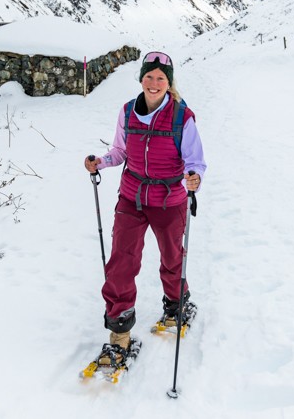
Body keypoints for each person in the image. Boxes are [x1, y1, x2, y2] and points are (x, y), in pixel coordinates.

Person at [84, 50, 207, 366]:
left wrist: (193, 178)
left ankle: (177, 303)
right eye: (149, 77)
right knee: (121, 262)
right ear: (141, 79)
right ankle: (119, 333)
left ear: (169, 83)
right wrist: (101, 161)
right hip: (132, 197)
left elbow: (195, 162)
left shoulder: (182, 117)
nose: (154, 83)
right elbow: (119, 151)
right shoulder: (127, 112)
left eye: (160, 79)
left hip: (169, 202)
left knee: (171, 258)